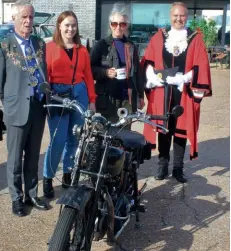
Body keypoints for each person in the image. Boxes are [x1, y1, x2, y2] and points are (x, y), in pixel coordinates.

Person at [141, 2, 212, 183]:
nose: (179, 19)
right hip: (162, 91)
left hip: (183, 91)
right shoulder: (159, 37)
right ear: (170, 16)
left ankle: (178, 169)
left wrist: (185, 78)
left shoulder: (195, 38)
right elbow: (148, 60)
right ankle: (162, 167)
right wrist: (152, 75)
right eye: (175, 16)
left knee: (180, 130)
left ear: (186, 17)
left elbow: (201, 64)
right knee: (164, 128)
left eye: (182, 16)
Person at [0, 0, 48, 216]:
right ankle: (16, 198)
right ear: (14, 18)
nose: (28, 21)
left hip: (37, 108)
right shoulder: (4, 46)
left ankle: (31, 194)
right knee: (15, 158)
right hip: (16, 109)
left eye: (31, 17)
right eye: (24, 17)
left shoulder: (39, 44)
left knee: (33, 156)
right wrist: (11, 101)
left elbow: (44, 73)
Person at [42, 11, 96, 198]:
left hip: (79, 93)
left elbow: (88, 74)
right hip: (58, 96)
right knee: (58, 139)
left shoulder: (82, 49)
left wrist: (92, 100)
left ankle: (67, 173)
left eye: (73, 25)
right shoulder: (49, 48)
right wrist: (47, 98)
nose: (70, 29)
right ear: (59, 26)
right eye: (67, 25)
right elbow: (45, 75)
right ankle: (48, 177)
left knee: (75, 137)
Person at [90, 3, 145, 124]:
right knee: (107, 136)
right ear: (110, 25)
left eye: (122, 24)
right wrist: (105, 72)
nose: (118, 27)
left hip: (127, 99)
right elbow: (90, 69)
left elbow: (138, 74)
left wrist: (141, 96)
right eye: (114, 24)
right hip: (108, 98)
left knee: (124, 137)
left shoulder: (131, 46)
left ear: (127, 26)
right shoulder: (101, 45)